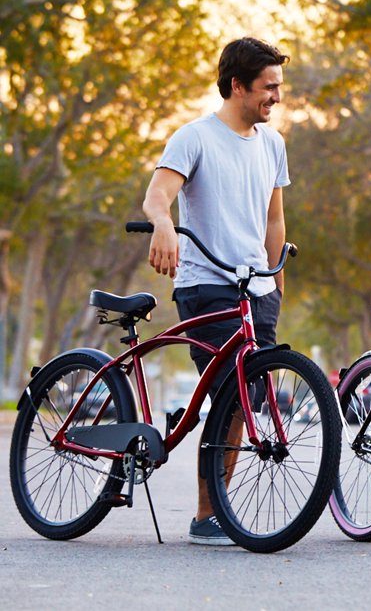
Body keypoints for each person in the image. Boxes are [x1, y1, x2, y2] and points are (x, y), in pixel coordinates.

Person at [142, 37, 290, 545]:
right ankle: (208, 514)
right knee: (229, 392)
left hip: (257, 288)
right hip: (206, 284)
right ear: (237, 86)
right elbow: (157, 194)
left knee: (247, 393)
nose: (276, 96)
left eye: (278, 86)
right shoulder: (194, 137)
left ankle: (217, 509)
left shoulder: (273, 143)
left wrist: (276, 282)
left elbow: (275, 217)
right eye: (269, 87)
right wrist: (163, 225)